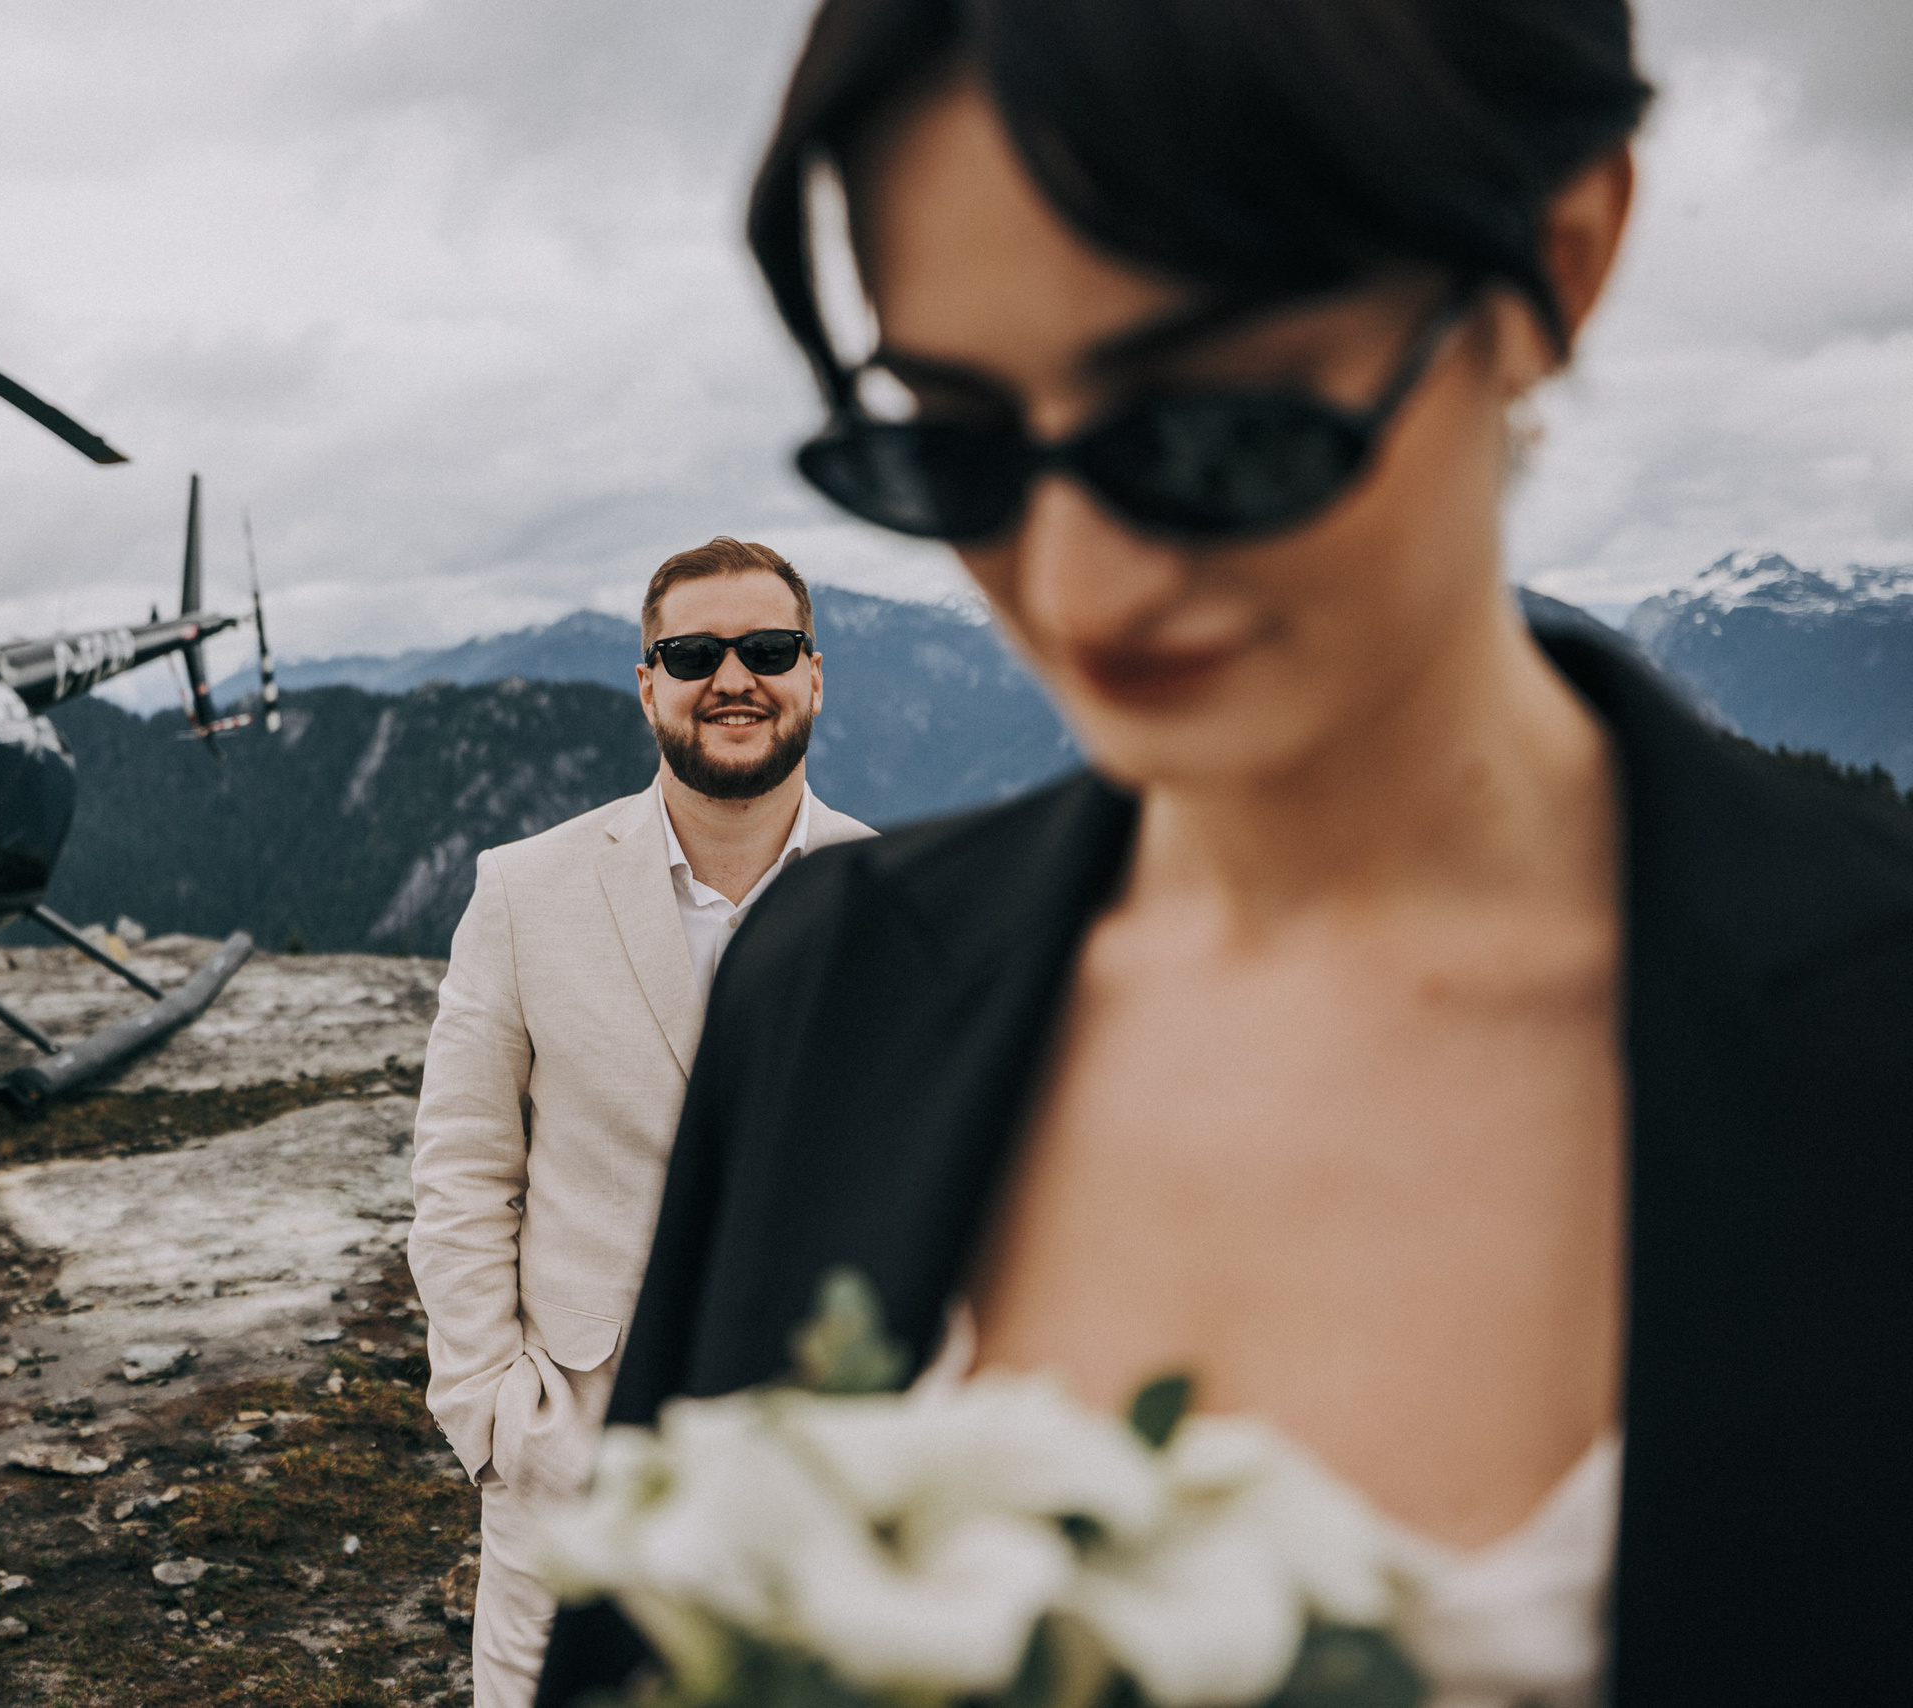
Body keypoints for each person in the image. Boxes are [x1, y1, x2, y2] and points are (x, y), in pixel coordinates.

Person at [539, 4, 1913, 1706]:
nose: (1081, 586)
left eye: (1212, 428)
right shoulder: (830, 988)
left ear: (1559, 258)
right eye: (954, 444)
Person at [409, 537, 875, 1708]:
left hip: (821, 1470)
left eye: (766, 649)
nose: (733, 677)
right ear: (646, 681)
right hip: (574, 1460)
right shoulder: (522, 891)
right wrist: (496, 1418)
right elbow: (464, 1168)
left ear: (813, 674)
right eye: (693, 652)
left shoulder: (892, 897)